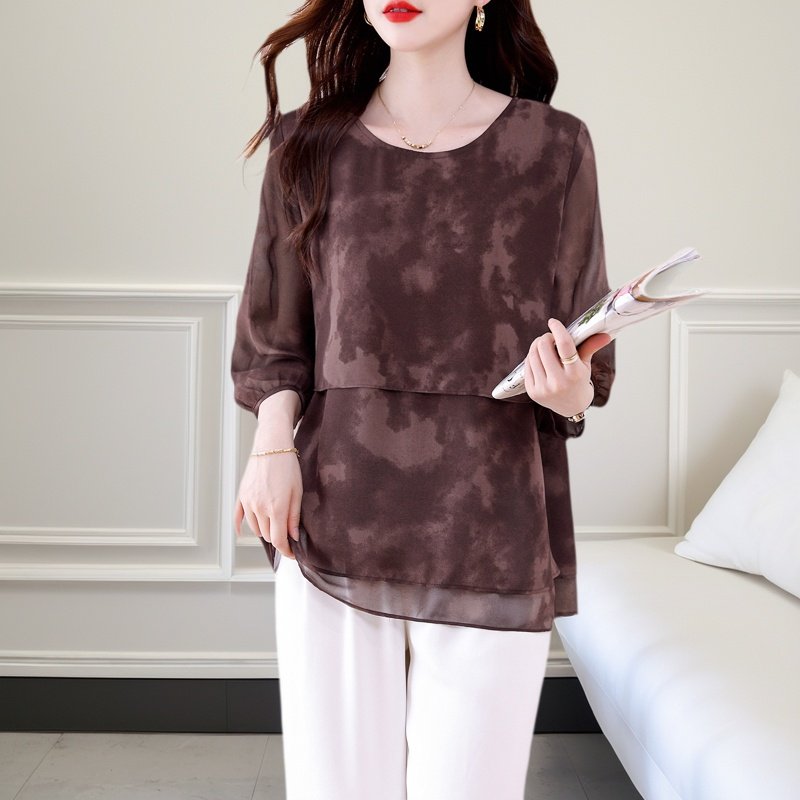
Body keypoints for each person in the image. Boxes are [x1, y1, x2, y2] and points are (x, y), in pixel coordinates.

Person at [231, 2, 616, 798]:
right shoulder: (307, 144)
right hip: (333, 515)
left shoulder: (554, 148)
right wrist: (270, 449)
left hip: (491, 524)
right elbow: (276, 335)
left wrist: (569, 390)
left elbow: (585, 352)